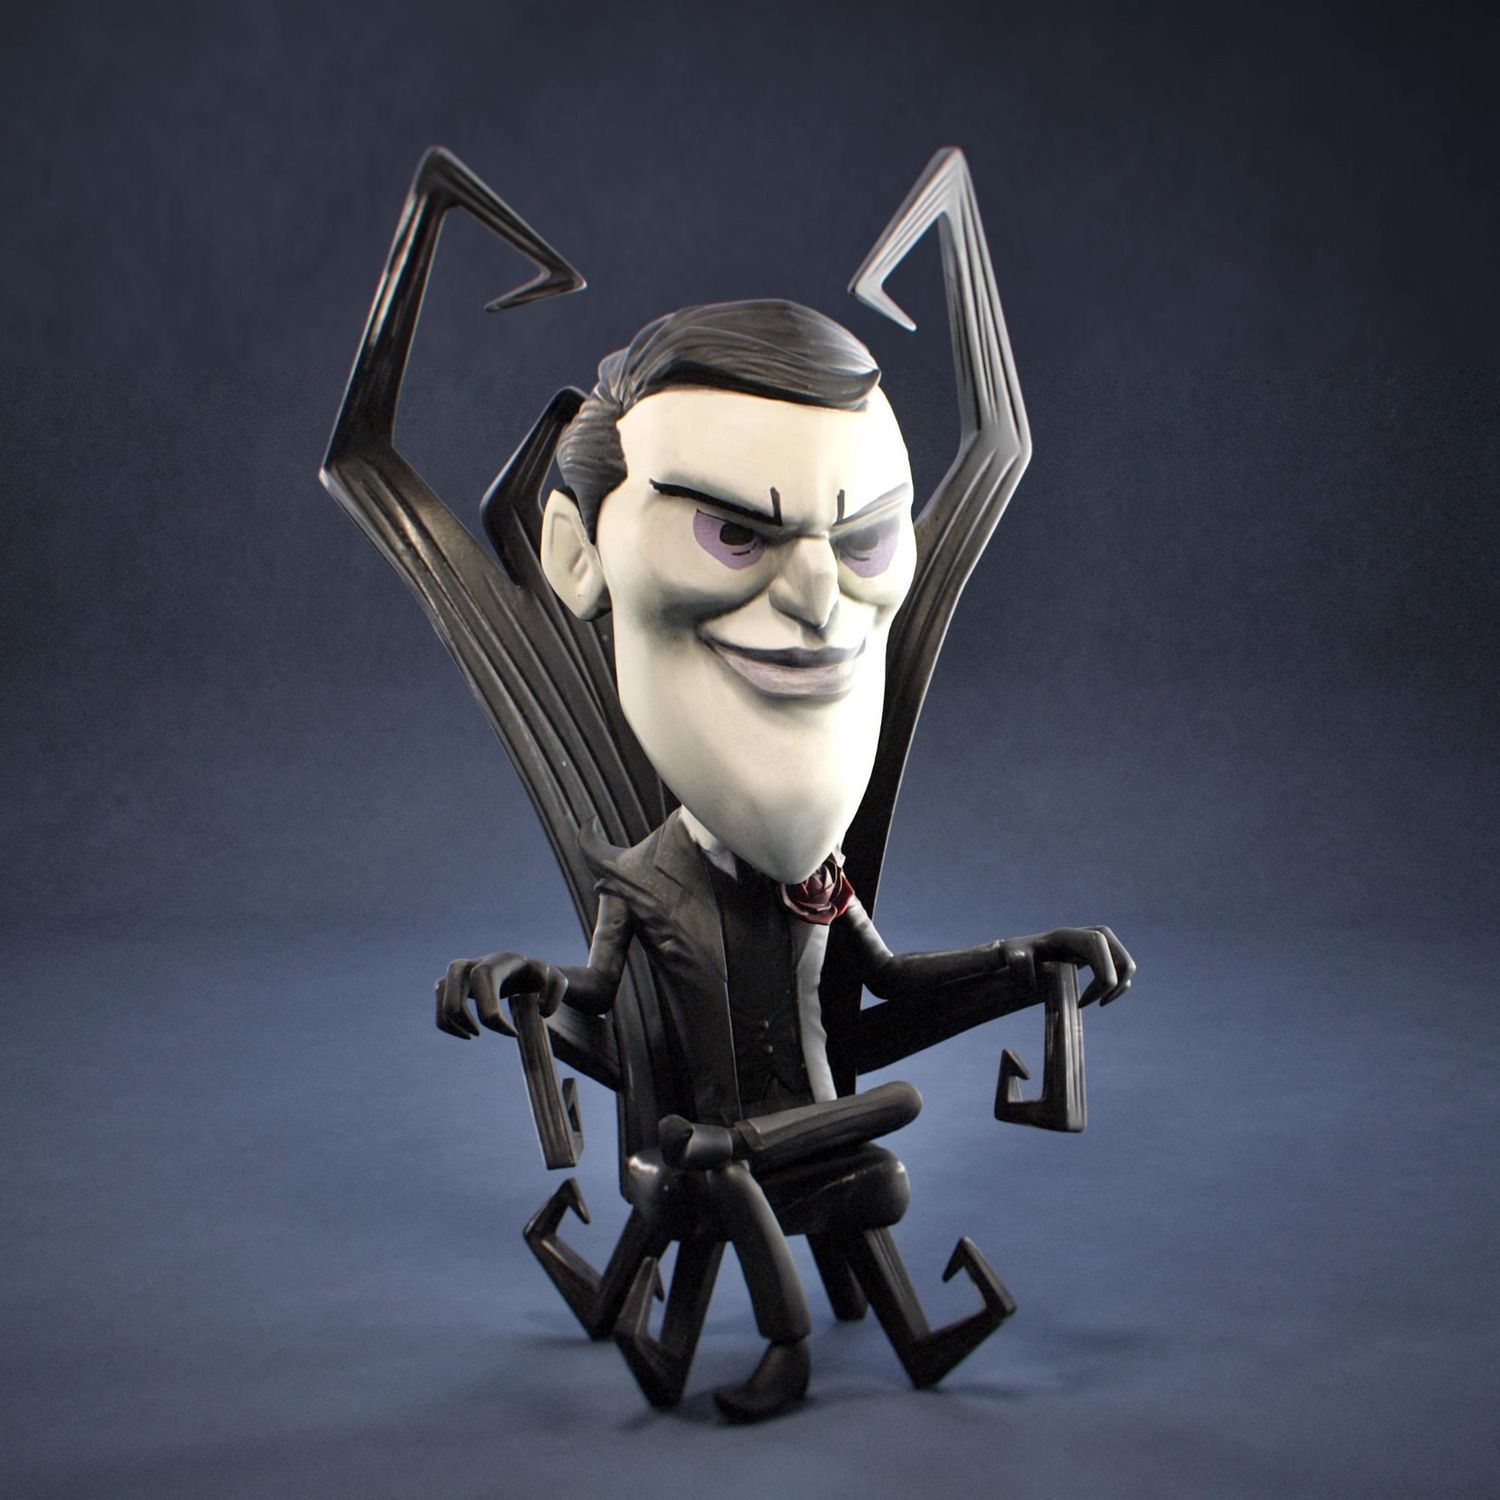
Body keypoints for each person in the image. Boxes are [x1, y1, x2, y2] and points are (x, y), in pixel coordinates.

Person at [434, 299, 1134, 1420]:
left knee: (807, 1155)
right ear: (579, 554)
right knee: (712, 1168)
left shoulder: (820, 882)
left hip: (813, 1123)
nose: (815, 602)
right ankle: (788, 1345)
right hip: (700, 1145)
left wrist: (1023, 960)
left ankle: (858, 1336)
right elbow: (593, 997)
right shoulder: (639, 879)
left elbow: (890, 980)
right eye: (733, 536)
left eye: (863, 542)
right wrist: (518, 980)